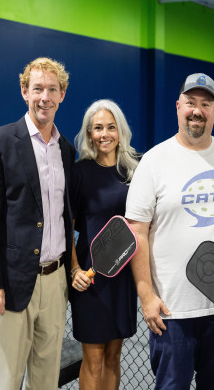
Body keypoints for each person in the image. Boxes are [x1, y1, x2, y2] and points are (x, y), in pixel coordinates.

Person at [125, 73, 214, 390]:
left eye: (205, 103)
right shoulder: (153, 161)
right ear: (178, 106)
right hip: (171, 311)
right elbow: (137, 232)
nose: (197, 110)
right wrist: (146, 295)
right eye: (190, 102)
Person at [0, 57, 75, 390]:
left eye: (52, 89)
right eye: (37, 89)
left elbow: (65, 215)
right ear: (24, 92)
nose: (44, 97)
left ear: (62, 94)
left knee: (45, 381)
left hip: (55, 282)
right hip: (12, 281)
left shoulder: (66, 150)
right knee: (5, 379)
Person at [69, 99, 140, 389]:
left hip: (123, 277)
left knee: (114, 355)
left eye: (111, 127)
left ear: (120, 131)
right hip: (90, 278)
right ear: (89, 134)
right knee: (93, 358)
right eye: (98, 128)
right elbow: (66, 228)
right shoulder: (79, 172)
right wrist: (74, 270)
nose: (105, 134)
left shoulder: (134, 170)